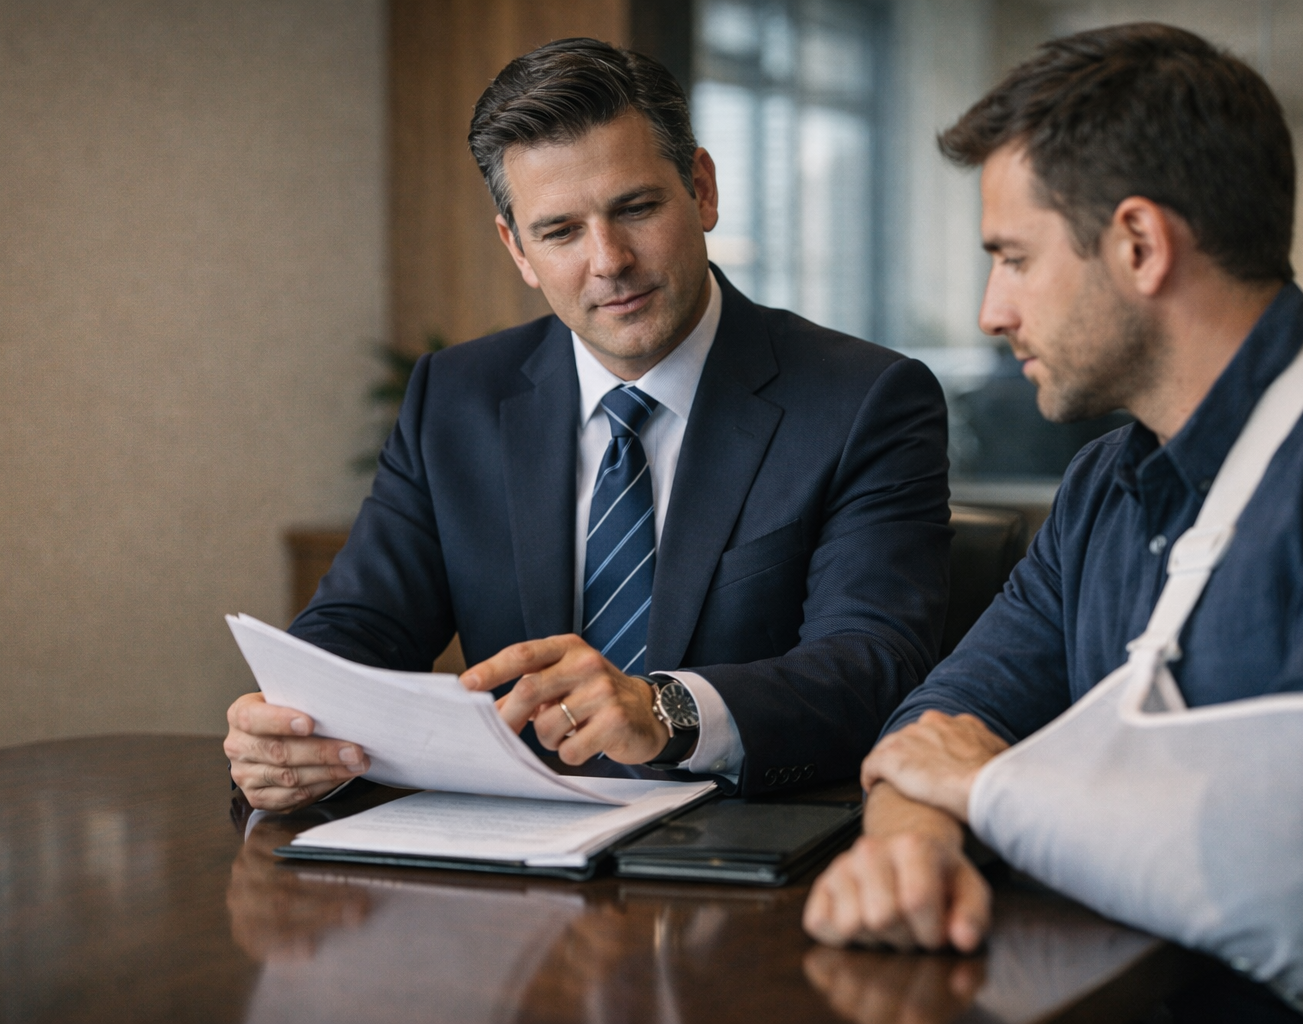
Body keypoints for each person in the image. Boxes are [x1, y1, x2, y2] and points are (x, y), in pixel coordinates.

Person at [803, 22, 1303, 1020]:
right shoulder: (1102, 488)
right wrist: (912, 845)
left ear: (1139, 243)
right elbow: (937, 727)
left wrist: (990, 793)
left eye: (1012, 256)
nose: (991, 311)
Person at [223, 38, 951, 812]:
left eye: (636, 208)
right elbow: (361, 624)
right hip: (511, 858)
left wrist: (664, 710)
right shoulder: (456, 397)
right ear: (518, 249)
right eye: (560, 232)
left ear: (701, 189)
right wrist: (288, 727)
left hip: (734, 855)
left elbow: (874, 663)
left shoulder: (865, 398)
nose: (608, 261)